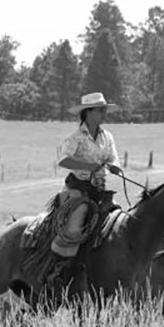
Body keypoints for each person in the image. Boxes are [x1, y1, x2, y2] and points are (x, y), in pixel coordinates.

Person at [46, 92, 122, 288]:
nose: (104, 113)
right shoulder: (76, 138)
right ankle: (60, 269)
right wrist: (89, 167)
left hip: (100, 189)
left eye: (105, 109)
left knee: (119, 220)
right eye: (101, 110)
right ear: (88, 112)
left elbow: (113, 159)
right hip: (78, 188)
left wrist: (115, 167)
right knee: (74, 226)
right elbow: (63, 160)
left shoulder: (107, 137)